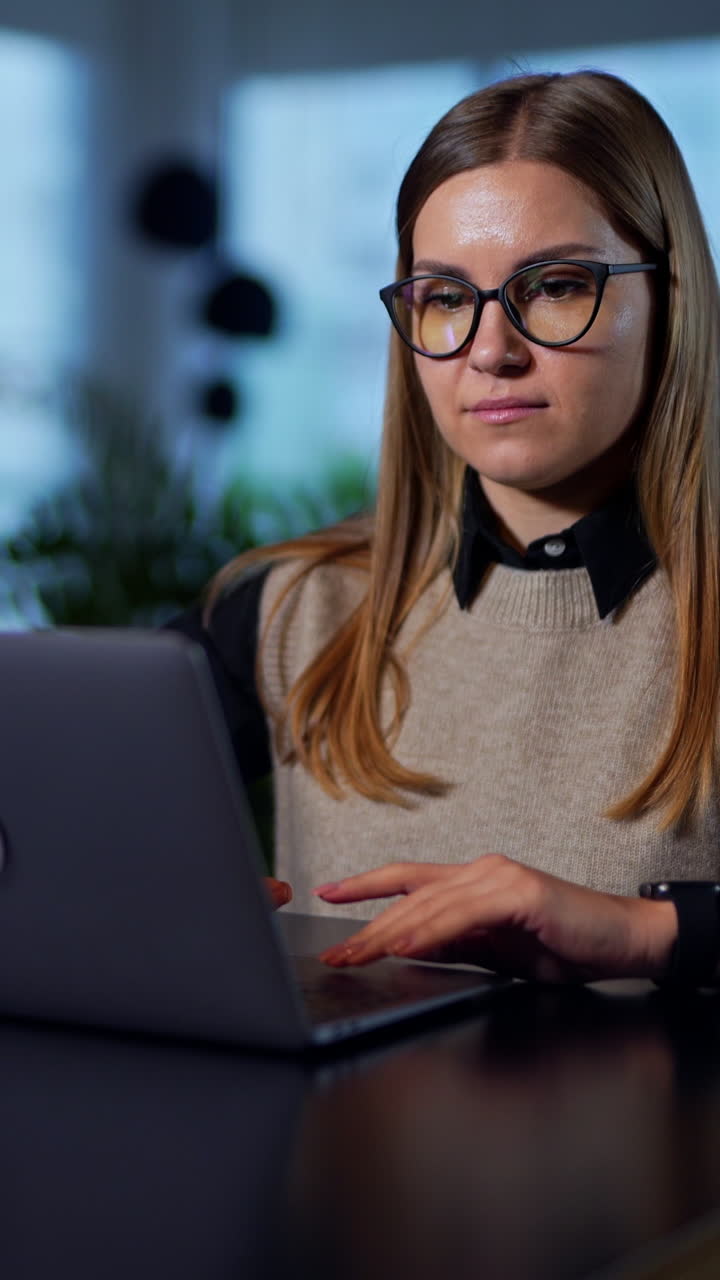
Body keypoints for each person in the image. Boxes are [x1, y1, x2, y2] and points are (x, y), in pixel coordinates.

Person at [170, 69, 720, 986]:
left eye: (554, 286)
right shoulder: (291, 608)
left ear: (669, 303)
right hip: (338, 1135)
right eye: (446, 298)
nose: (491, 351)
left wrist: (646, 931)